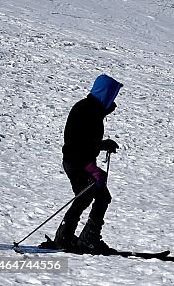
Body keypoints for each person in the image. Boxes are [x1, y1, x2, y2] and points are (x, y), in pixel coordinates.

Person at [54, 74, 123, 253]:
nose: (113, 99)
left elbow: (86, 141)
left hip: (74, 161)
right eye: (112, 94)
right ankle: (88, 239)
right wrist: (93, 169)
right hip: (78, 161)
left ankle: (65, 236)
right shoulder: (88, 111)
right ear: (105, 93)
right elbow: (79, 145)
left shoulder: (89, 109)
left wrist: (102, 144)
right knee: (101, 197)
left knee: (84, 196)